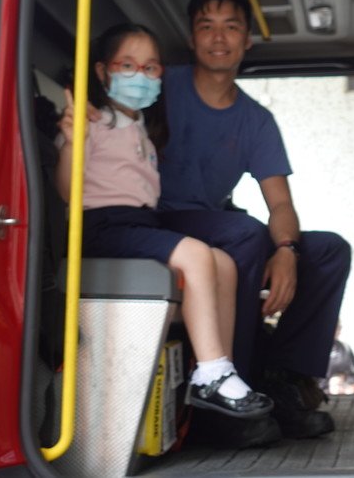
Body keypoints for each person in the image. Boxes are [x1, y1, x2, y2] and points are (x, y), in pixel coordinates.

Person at [156, 0, 352, 439]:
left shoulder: (256, 120)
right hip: (159, 222)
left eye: (231, 27)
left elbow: (280, 203)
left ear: (246, 40)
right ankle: (229, 403)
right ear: (191, 37)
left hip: (213, 225)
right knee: (244, 233)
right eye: (206, 26)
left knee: (328, 251)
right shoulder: (162, 87)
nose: (218, 37)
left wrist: (286, 251)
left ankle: (283, 380)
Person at [55, 23, 272, 419]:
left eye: (150, 68)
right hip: (101, 226)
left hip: (139, 224)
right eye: (127, 66)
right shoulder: (91, 122)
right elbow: (68, 191)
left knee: (223, 263)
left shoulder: (140, 125)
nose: (140, 76)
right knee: (196, 254)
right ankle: (211, 373)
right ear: (103, 71)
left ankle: (220, 371)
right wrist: (72, 141)